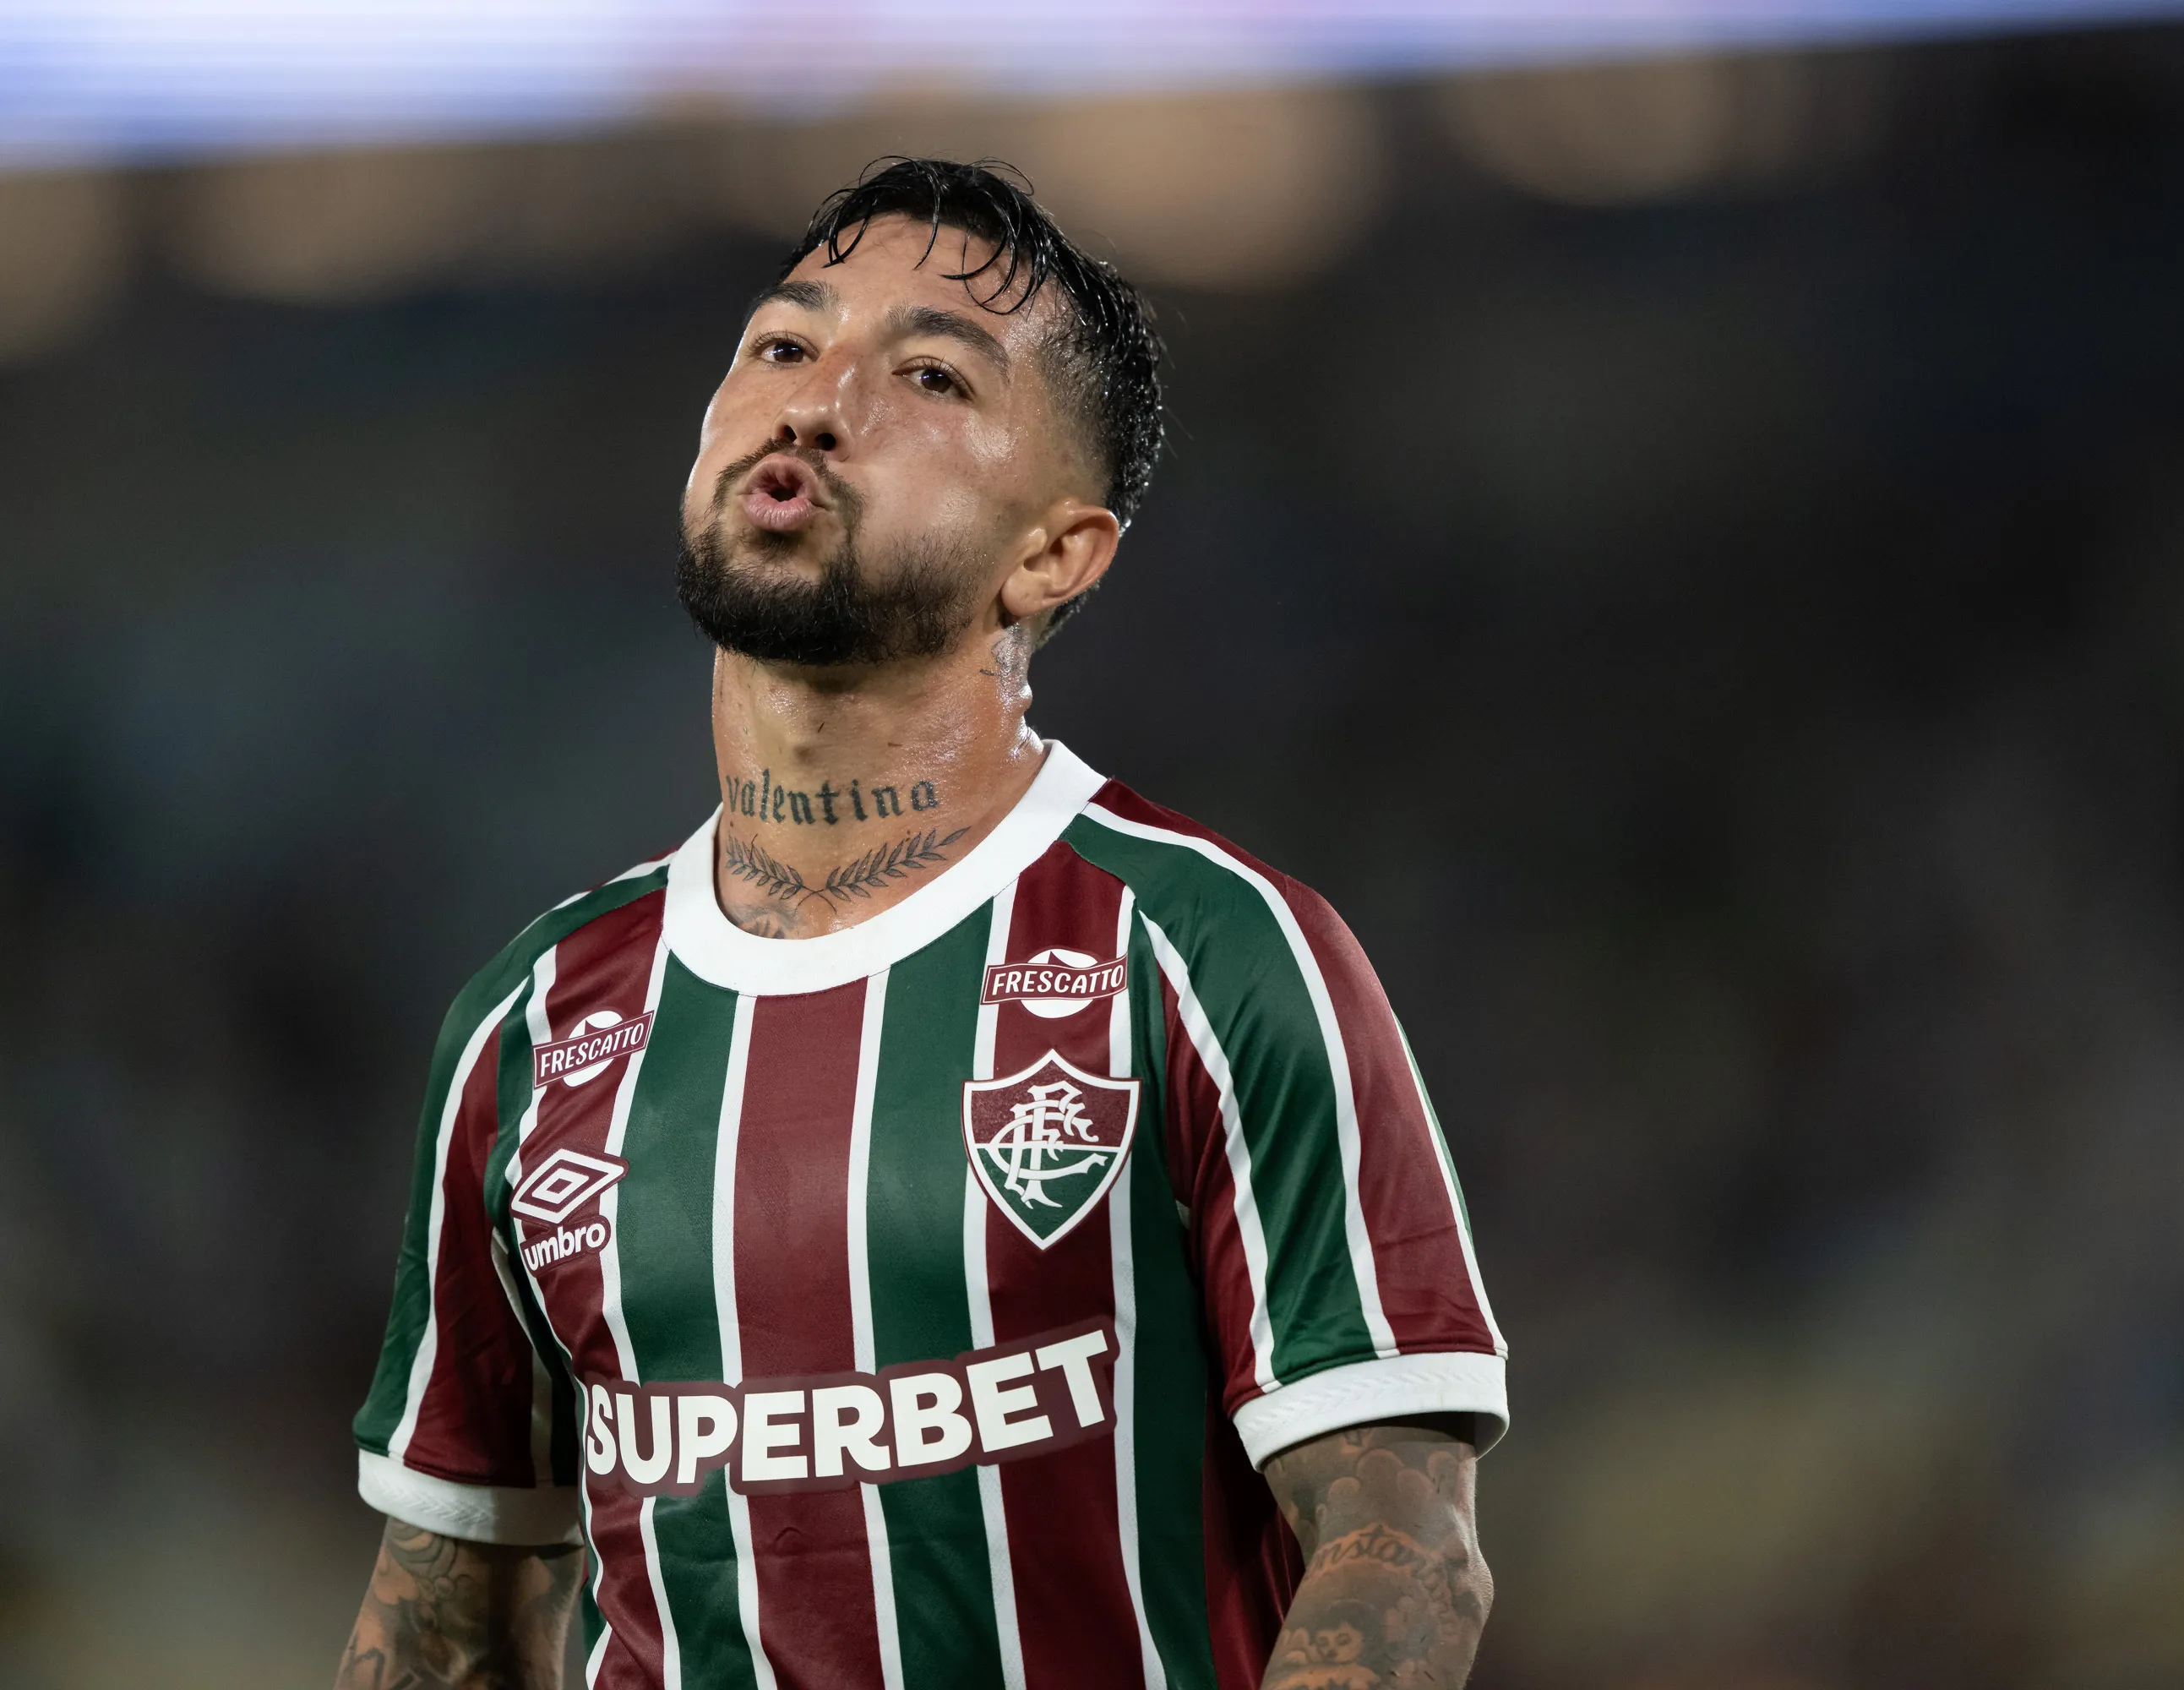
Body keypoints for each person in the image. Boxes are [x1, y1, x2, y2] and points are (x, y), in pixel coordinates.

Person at [335, 158, 1506, 1690]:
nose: (816, 405)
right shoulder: (533, 1022)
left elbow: (1402, 1552)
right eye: (782, 344)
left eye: (931, 376)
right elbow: (448, 1626)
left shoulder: (1209, 954)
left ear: (1055, 552)